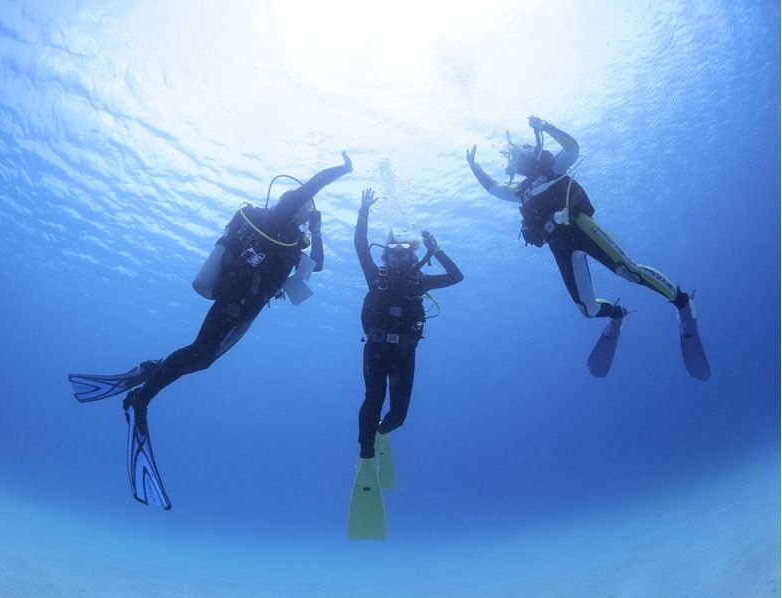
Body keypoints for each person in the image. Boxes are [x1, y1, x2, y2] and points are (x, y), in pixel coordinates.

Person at [69, 152, 353, 509]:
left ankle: (149, 371)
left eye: (307, 211)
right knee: (199, 353)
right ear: (291, 204)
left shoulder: (294, 238)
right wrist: (343, 170)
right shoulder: (277, 220)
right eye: (304, 209)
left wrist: (316, 228)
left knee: (202, 359)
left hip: (248, 312)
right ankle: (140, 399)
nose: (305, 212)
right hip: (233, 303)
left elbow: (320, 265)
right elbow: (313, 184)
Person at [466, 117, 709, 380]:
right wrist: (474, 166)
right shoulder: (520, 192)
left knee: (628, 271)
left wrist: (545, 126)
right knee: (587, 309)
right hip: (559, 245)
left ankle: (683, 303)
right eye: (511, 159)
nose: (514, 160)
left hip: (580, 227)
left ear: (529, 151)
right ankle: (616, 315)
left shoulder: (552, 166)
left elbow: (573, 147)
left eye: (517, 154)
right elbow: (493, 189)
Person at [348, 187, 464, 540]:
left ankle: (381, 433)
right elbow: (358, 243)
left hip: (406, 353)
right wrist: (364, 208)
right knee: (372, 400)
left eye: (404, 254)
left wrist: (438, 248)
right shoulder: (376, 278)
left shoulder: (420, 282)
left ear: (413, 257)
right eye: (393, 254)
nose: (398, 260)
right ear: (387, 258)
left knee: (397, 416)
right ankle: (366, 455)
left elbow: (457, 277)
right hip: (377, 350)